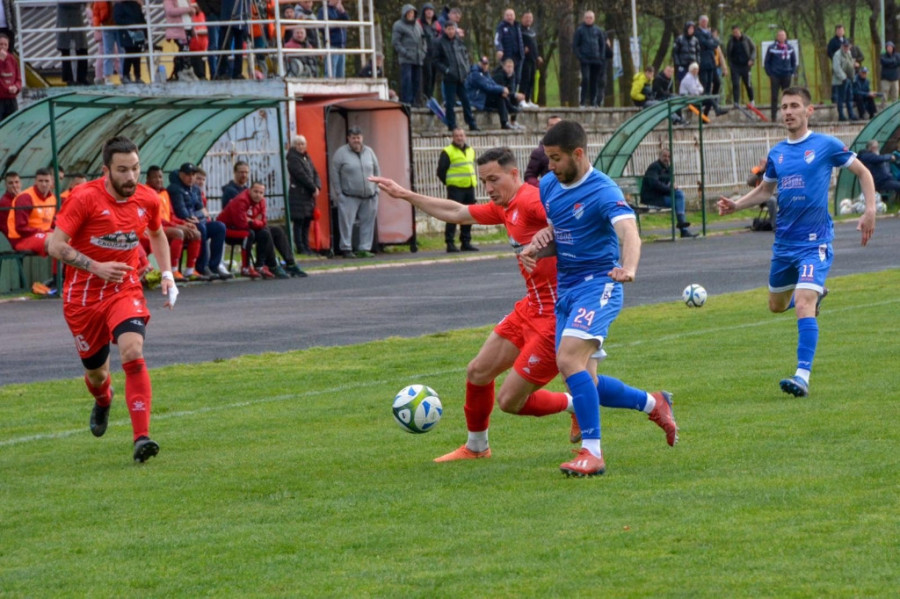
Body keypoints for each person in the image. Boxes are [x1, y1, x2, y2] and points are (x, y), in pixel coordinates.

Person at [372, 146, 676, 462]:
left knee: (511, 401)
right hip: (530, 307)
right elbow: (458, 212)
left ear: (514, 174)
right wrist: (405, 194)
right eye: (484, 181)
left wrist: (550, 229)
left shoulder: (532, 201)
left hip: (556, 316)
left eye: (494, 180)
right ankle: (477, 447)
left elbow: (575, 218)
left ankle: (597, 404)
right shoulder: (505, 207)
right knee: (477, 372)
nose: (488, 188)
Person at [519, 120, 678, 477]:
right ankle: (654, 402)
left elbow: (629, 232)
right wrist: (538, 247)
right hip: (568, 288)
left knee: (568, 358)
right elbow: (564, 234)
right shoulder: (549, 185)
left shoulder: (603, 190)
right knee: (581, 379)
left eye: (556, 159)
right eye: (548, 158)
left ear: (578, 153)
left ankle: (592, 453)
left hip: (600, 284)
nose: (550, 166)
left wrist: (628, 267)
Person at [717, 87, 876, 398]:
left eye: (794, 106)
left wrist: (870, 210)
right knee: (776, 306)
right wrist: (736, 204)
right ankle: (815, 296)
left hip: (815, 243)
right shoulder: (777, 152)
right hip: (784, 244)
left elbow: (863, 172)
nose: (788, 112)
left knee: (802, 302)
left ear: (808, 111)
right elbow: (766, 190)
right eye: (784, 107)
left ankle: (802, 376)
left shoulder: (826, 145)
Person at [45, 135, 177, 463]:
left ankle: (141, 438)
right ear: (106, 170)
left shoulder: (147, 199)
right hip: (83, 299)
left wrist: (167, 274)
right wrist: (96, 267)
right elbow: (54, 245)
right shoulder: (84, 198)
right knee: (97, 375)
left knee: (132, 350)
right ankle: (104, 399)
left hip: (124, 289)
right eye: (122, 170)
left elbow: (157, 234)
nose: (131, 177)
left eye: (135, 168)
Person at [167, 162, 229, 279]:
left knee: (220, 227)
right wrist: (197, 216)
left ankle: (214, 265)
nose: (191, 178)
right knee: (201, 227)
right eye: (188, 175)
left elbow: (202, 209)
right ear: (181, 174)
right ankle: (201, 266)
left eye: (193, 175)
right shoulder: (175, 189)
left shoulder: (195, 189)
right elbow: (183, 214)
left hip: (198, 221)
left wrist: (198, 215)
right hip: (182, 224)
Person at [146, 165, 204, 281]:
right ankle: (172, 270)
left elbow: (171, 215)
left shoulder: (164, 193)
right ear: (148, 179)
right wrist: (177, 226)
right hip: (153, 228)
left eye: (160, 177)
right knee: (178, 233)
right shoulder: (146, 194)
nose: (159, 180)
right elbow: (154, 219)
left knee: (196, 233)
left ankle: (190, 270)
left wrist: (184, 223)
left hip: (167, 226)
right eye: (155, 177)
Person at [330, 126, 380, 258]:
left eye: (358, 137)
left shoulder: (369, 152)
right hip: (349, 196)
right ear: (348, 138)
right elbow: (334, 173)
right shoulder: (341, 153)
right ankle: (346, 248)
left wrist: (377, 190)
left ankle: (364, 248)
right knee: (346, 224)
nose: (356, 140)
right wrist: (339, 193)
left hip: (369, 195)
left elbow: (376, 170)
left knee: (368, 223)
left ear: (362, 138)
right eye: (353, 138)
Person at [217, 182, 283, 279]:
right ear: (249, 191)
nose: (258, 195)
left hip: (246, 227)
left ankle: (260, 266)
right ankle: (245, 268)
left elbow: (264, 222)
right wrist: (256, 221)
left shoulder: (262, 201)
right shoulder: (241, 200)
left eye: (261, 193)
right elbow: (242, 224)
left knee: (264, 233)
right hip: (227, 230)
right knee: (248, 234)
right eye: (255, 191)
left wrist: (252, 221)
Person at [436, 128, 478, 253]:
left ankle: (466, 242)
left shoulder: (470, 150)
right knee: (453, 215)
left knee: (468, 215)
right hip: (455, 188)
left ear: (465, 136)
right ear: (453, 137)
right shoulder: (447, 151)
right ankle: (450, 242)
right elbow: (441, 171)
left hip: (469, 186)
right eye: (457, 136)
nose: (459, 138)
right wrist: (449, 183)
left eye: (461, 135)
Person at [641, 148, 698, 238]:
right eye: (664, 156)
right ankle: (683, 229)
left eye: (669, 156)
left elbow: (669, 182)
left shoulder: (669, 168)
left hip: (661, 196)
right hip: (652, 198)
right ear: (660, 156)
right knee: (678, 201)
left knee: (679, 194)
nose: (667, 158)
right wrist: (669, 188)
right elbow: (654, 183)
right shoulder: (654, 167)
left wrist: (672, 185)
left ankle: (682, 226)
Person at [433, 21, 478, 132]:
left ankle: (471, 123)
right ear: (445, 30)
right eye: (448, 29)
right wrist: (446, 70)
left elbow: (465, 55)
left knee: (466, 101)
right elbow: (436, 60)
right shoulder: (439, 42)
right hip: (449, 77)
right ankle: (451, 125)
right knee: (450, 102)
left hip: (461, 76)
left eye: (452, 29)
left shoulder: (458, 41)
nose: (451, 31)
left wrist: (466, 68)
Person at [6, 168, 56, 255]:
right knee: (55, 243)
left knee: (68, 240)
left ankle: (72, 264)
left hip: (43, 233)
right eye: (40, 181)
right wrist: (42, 232)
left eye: (47, 181)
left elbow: (53, 222)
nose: (44, 184)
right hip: (22, 238)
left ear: (52, 182)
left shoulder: (52, 198)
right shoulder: (25, 197)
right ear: (35, 182)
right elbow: (21, 228)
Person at [287, 134, 322, 255]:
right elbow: (301, 175)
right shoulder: (293, 159)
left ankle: (307, 247)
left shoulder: (307, 157)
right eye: (298, 144)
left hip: (308, 196)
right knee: (299, 222)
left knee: (307, 222)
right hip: (298, 194)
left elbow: (315, 173)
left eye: (302, 144)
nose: (300, 146)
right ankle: (300, 247)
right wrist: (313, 188)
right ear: (294, 146)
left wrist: (317, 186)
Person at [465, 56, 515, 130]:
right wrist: (502, 89)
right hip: (476, 99)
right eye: (483, 64)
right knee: (499, 95)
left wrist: (502, 90)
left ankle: (506, 120)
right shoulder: (475, 74)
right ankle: (508, 114)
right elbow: (487, 87)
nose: (485, 66)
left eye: (486, 64)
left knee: (501, 96)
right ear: (479, 63)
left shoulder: (486, 73)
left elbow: (493, 84)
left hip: (483, 97)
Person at [573, 11, 611, 107]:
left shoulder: (598, 30)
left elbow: (602, 45)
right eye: (587, 17)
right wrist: (580, 57)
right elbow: (575, 45)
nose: (589, 19)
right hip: (585, 59)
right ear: (584, 18)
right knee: (585, 79)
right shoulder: (580, 30)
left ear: (594, 19)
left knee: (594, 81)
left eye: (590, 18)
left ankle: (593, 102)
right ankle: (582, 102)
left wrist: (601, 57)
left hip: (596, 60)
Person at [392, 4, 426, 106]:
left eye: (412, 13)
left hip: (418, 58)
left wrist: (423, 52)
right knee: (407, 81)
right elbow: (396, 42)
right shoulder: (398, 25)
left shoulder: (418, 25)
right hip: (406, 59)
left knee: (417, 81)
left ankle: (417, 102)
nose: (411, 15)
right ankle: (407, 102)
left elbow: (423, 40)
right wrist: (405, 53)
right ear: (404, 13)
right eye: (409, 13)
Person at [696, 15, 728, 116]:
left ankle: (709, 109)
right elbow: (708, 44)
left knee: (717, 83)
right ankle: (714, 108)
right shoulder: (698, 33)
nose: (705, 23)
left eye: (706, 21)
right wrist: (712, 41)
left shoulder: (708, 33)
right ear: (700, 22)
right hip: (703, 63)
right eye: (703, 21)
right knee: (706, 88)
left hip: (712, 63)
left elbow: (716, 44)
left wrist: (712, 41)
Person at [764, 30, 797, 122]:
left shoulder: (790, 48)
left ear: (785, 37)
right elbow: (767, 62)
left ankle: (787, 116)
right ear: (777, 37)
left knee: (787, 97)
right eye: (780, 35)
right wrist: (770, 73)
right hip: (775, 75)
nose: (782, 37)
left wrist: (791, 71)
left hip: (786, 74)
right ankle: (773, 117)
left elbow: (794, 61)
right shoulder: (772, 48)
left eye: (783, 35)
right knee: (774, 96)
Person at [163, 0, 199, 82]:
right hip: (178, 29)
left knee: (185, 50)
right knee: (184, 49)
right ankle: (185, 70)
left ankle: (179, 71)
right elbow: (170, 11)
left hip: (188, 28)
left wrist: (192, 11)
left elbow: (190, 11)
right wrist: (188, 9)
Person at [113, 0, 147, 84]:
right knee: (129, 53)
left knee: (137, 54)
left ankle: (137, 76)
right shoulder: (120, 5)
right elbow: (118, 19)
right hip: (127, 33)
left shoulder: (135, 5)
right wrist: (131, 24)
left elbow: (141, 18)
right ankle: (126, 75)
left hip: (137, 33)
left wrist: (144, 30)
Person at [524, 115, 562, 187]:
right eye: (552, 126)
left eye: (558, 125)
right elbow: (529, 176)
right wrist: (542, 186)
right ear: (547, 128)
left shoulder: (571, 148)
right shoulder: (539, 152)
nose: (555, 128)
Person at [57, 2, 89, 86]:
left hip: (77, 20)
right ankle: (68, 78)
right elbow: (63, 3)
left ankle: (82, 78)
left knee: (82, 48)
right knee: (65, 50)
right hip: (64, 21)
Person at [493, 8, 523, 95]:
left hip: (518, 57)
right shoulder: (501, 27)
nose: (509, 17)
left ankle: (515, 95)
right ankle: (508, 95)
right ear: (504, 16)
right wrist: (499, 49)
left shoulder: (517, 26)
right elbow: (497, 39)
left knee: (518, 78)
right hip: (507, 57)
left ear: (514, 16)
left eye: (511, 15)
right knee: (508, 77)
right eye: (507, 15)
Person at [318, 0, 349, 78]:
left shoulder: (338, 10)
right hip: (332, 45)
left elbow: (347, 22)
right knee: (330, 72)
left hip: (341, 46)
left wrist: (343, 12)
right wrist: (338, 22)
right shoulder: (324, 10)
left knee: (341, 74)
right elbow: (322, 27)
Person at [726, 25, 755, 107]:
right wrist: (730, 64)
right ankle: (736, 102)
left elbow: (753, 49)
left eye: (736, 32)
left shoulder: (747, 39)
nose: (735, 34)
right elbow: (728, 53)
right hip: (735, 66)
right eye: (734, 32)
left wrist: (751, 59)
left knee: (748, 83)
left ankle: (752, 100)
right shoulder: (731, 41)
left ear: (739, 31)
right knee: (735, 84)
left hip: (746, 65)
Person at [418, 3, 442, 101]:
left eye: (431, 10)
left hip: (435, 54)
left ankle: (430, 97)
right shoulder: (419, 23)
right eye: (427, 10)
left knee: (433, 77)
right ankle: (425, 97)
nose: (429, 12)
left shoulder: (436, 24)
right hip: (425, 54)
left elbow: (440, 37)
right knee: (427, 76)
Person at [518, 11, 540, 107]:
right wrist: (523, 49)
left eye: (530, 18)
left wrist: (537, 56)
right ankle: (521, 99)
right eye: (526, 17)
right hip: (524, 59)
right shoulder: (519, 30)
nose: (528, 20)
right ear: (522, 18)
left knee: (532, 79)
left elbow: (534, 45)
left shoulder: (532, 31)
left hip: (532, 59)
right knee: (525, 79)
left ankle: (528, 98)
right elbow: (517, 43)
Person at [832, 40, 857, 121]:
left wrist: (852, 75)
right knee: (841, 98)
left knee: (849, 97)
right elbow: (836, 68)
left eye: (847, 46)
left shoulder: (849, 53)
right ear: (842, 46)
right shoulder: (837, 55)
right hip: (841, 80)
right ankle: (841, 115)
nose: (846, 48)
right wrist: (843, 77)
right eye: (845, 46)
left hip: (849, 78)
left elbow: (850, 64)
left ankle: (851, 114)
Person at [673, 21, 700, 88]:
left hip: (693, 66)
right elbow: (675, 52)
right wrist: (678, 64)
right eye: (690, 28)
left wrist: (697, 62)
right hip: (683, 65)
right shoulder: (679, 39)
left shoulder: (695, 40)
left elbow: (698, 52)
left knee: (693, 84)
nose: (691, 30)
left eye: (692, 29)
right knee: (683, 83)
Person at [0, 32, 21, 119]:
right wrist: (1, 61)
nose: (3, 47)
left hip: (11, 99)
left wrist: (16, 87)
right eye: (1, 44)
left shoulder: (12, 59)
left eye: (5, 45)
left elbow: (18, 78)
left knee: (13, 122)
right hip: (1, 98)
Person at [0, 170, 20, 237]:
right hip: (16, 236)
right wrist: (20, 199)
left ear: (20, 183)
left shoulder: (23, 196)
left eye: (16, 182)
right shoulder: (4, 202)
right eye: (10, 183)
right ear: (6, 185)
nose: (14, 185)